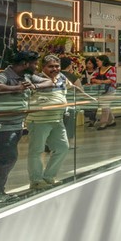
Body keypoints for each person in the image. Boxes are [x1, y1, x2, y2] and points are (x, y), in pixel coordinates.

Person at [0, 49, 38, 202]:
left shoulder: (24, 76)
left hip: (12, 124)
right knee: (8, 159)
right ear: (25, 64)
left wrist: (33, 85)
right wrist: (17, 88)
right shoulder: (3, 76)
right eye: (34, 63)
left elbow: (48, 81)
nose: (37, 66)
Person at [27, 54, 75, 190]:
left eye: (57, 66)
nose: (54, 69)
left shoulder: (62, 78)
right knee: (36, 150)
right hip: (39, 121)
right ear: (43, 67)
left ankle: (48, 177)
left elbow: (72, 88)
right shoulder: (35, 78)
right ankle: (36, 181)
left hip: (57, 119)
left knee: (62, 147)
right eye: (51, 66)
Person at [94, 54, 117, 129]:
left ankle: (103, 123)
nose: (97, 62)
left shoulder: (112, 69)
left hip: (110, 90)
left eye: (98, 61)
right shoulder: (98, 69)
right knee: (106, 106)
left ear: (103, 61)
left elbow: (112, 80)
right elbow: (93, 78)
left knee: (105, 105)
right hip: (102, 90)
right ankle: (111, 121)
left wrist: (100, 81)